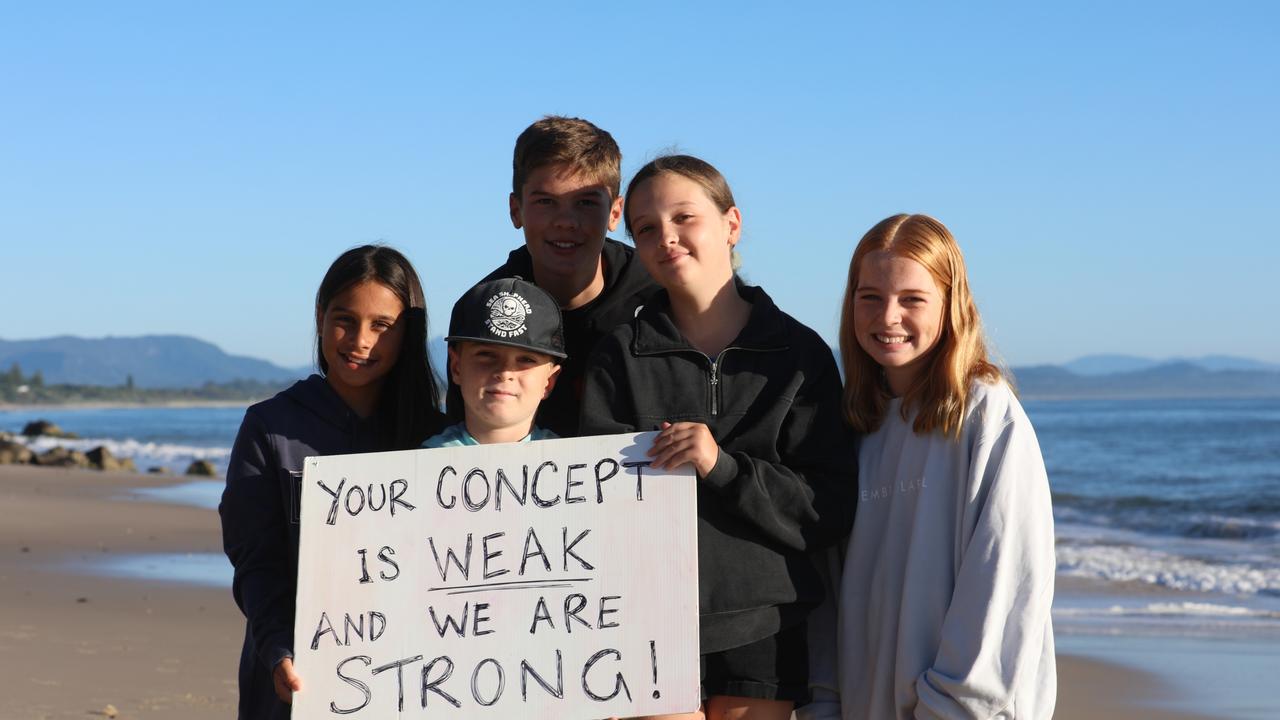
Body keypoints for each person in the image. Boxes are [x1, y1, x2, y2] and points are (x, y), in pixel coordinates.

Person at [580, 155, 857, 720]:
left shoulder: (798, 356)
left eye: (685, 217)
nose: (667, 238)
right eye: (647, 229)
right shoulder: (618, 355)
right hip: (644, 617)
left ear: (731, 224)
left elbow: (826, 506)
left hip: (764, 622)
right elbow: (594, 502)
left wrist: (720, 465)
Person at [800, 214, 1056, 720]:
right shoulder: (855, 424)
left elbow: (1004, 580)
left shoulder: (983, 412)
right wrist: (823, 703)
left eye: (912, 299)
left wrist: (950, 708)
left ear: (950, 302)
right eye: (870, 296)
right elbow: (830, 586)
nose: (887, 317)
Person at [219, 245, 445, 719]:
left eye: (382, 325)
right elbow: (257, 564)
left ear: (408, 333)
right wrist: (279, 651)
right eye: (345, 318)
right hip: (296, 677)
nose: (360, 339)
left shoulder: (437, 439)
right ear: (320, 316)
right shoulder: (269, 427)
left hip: (413, 676)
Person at [448, 115, 659, 437]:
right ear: (516, 209)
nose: (566, 221)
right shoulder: (482, 312)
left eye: (586, 203)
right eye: (546, 201)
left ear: (616, 213)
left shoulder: (660, 300)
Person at [423, 277, 564, 447]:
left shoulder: (573, 462)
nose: (505, 373)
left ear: (549, 382)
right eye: (487, 355)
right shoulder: (419, 462)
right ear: (456, 367)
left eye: (526, 359)